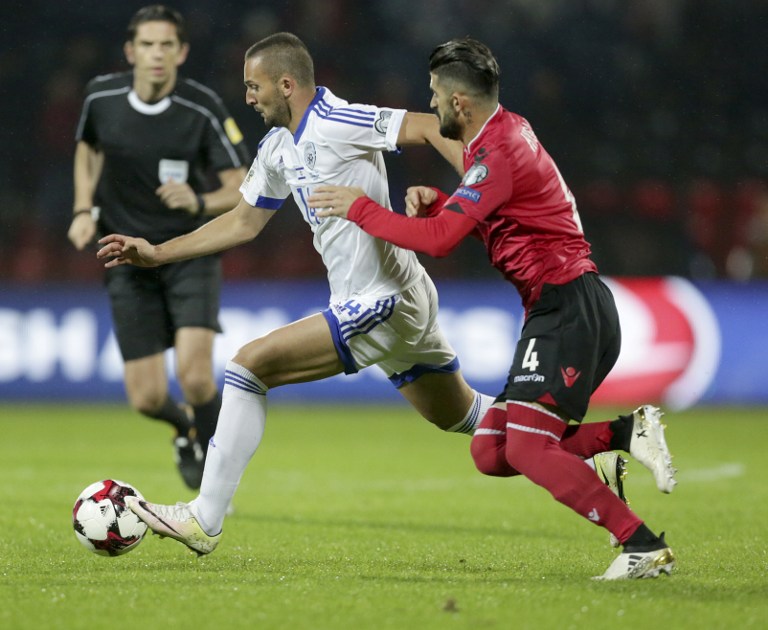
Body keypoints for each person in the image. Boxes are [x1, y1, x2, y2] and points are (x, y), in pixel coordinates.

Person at [97, 33, 631, 558]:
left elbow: (428, 126)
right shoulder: (278, 148)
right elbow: (242, 221)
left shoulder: (337, 118)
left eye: (253, 86)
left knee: (247, 368)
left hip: (382, 297)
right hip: (400, 298)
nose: (248, 97)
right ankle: (605, 445)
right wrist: (158, 254)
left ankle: (203, 518)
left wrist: (474, 185)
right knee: (465, 419)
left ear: (286, 84)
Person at [308, 37, 677, 580]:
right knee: (492, 449)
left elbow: (436, 243)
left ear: (460, 103)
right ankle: (622, 435)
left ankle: (641, 544)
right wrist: (447, 203)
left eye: (434, 95)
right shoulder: (504, 132)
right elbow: (508, 217)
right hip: (562, 306)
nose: (429, 105)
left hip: (568, 306)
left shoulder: (497, 151)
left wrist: (360, 208)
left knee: (528, 450)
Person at [68, 5, 250, 490]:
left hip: (187, 250)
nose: (156, 54)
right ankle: (185, 429)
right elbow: (87, 148)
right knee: (147, 398)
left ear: (181, 52)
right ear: (130, 51)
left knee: (195, 378)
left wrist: (199, 197)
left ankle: (216, 476)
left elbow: (243, 186)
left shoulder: (202, 105)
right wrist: (82, 209)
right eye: (147, 44)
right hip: (125, 254)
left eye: (166, 44)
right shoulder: (101, 97)